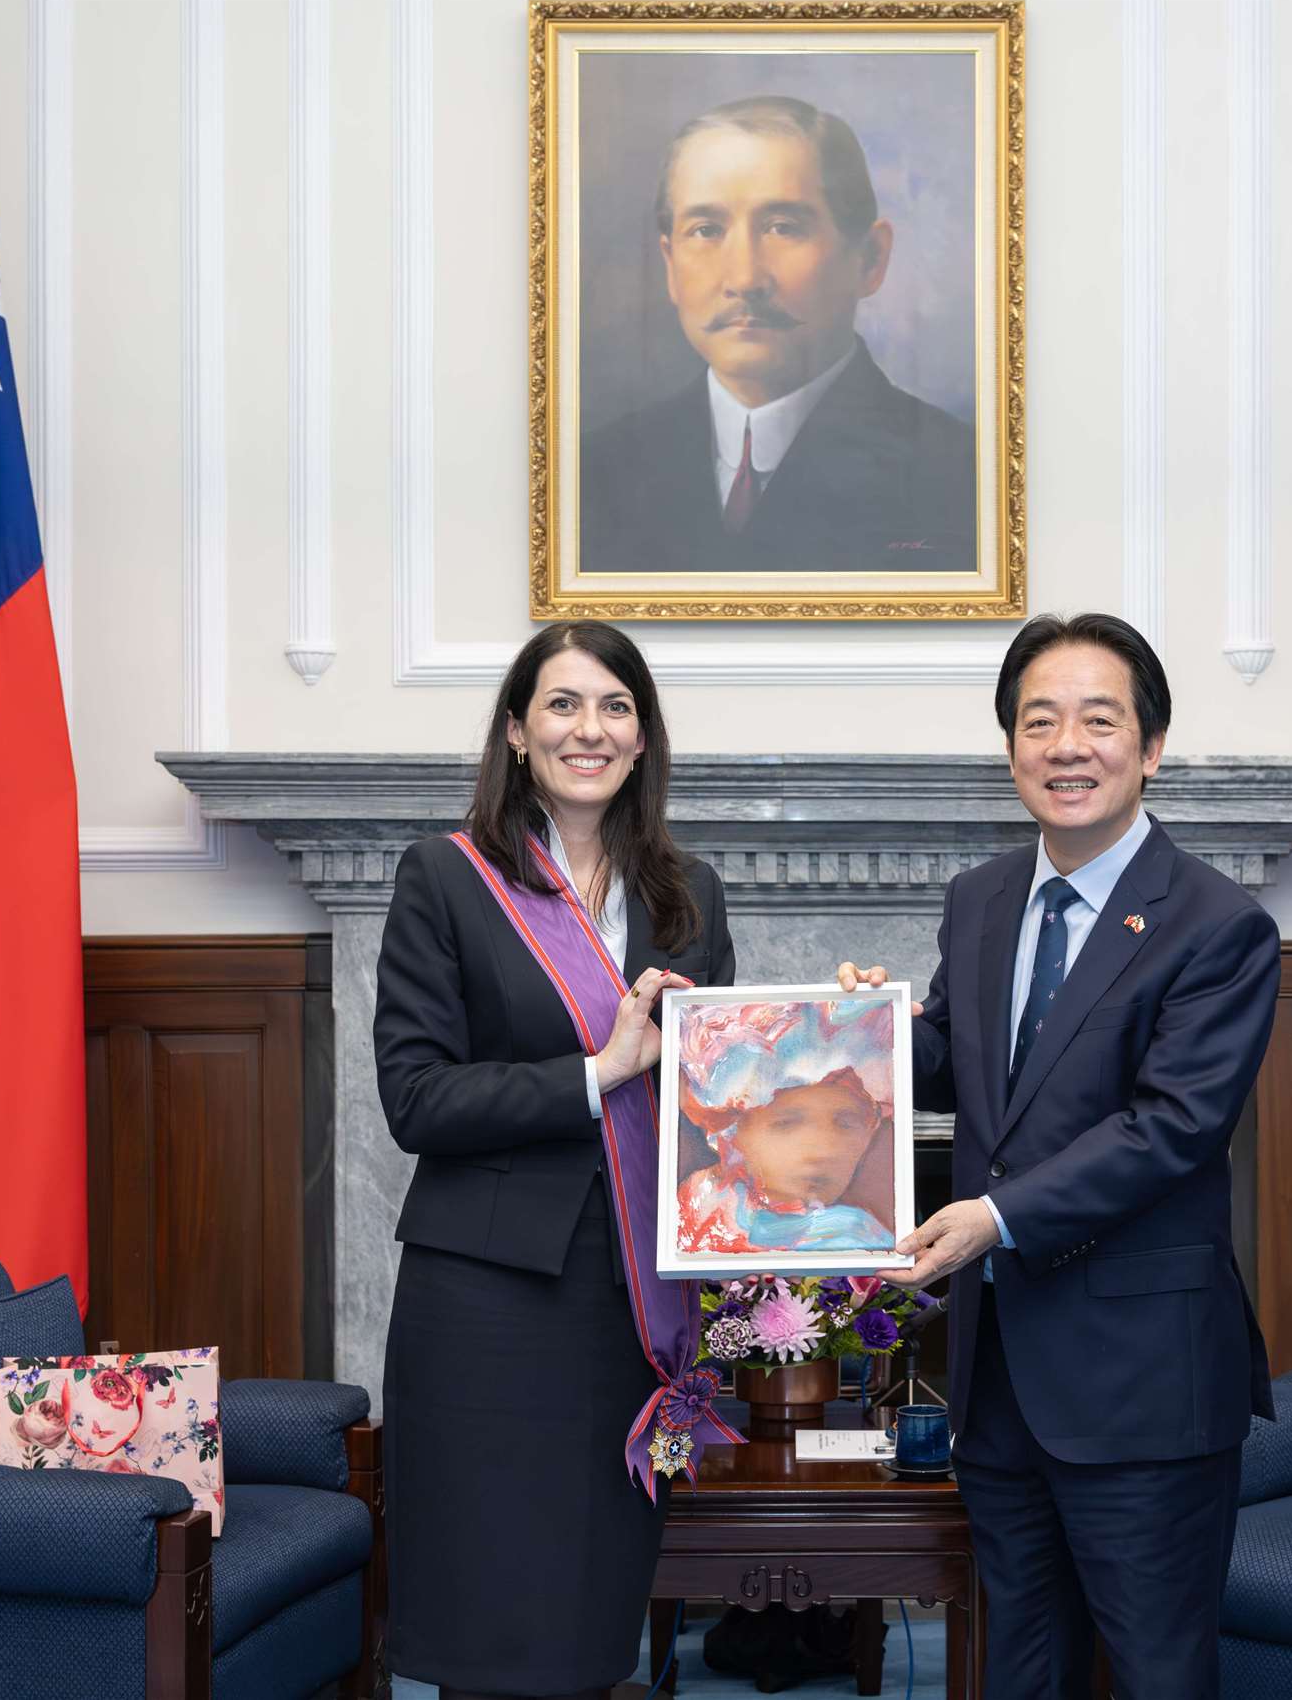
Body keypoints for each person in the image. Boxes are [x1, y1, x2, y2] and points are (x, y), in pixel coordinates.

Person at [840, 612, 1282, 1699]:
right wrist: (868, 1038)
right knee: (1018, 1667)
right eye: (1039, 721)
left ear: (1151, 746)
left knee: (1153, 1673)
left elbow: (1170, 1129)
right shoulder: (982, 899)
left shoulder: (1217, 925)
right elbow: (968, 1066)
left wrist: (993, 1219)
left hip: (1142, 1385)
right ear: (1010, 748)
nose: (1066, 746)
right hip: (1000, 1382)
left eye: (1098, 719)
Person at [373, 620, 738, 1700]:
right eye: (565, 704)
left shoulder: (690, 892)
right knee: (491, 1616)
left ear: (642, 737)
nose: (592, 728)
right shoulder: (446, 877)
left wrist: (817, 1053)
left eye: (615, 706)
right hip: (487, 1299)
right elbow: (416, 1098)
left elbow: (717, 1098)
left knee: (589, 1614)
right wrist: (599, 1069)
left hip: (626, 1303)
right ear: (518, 732)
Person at [579, 94, 978, 575]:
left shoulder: (959, 476)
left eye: (783, 227)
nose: (745, 279)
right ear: (669, 265)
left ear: (870, 259)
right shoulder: (595, 474)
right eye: (706, 230)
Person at [674, 996, 896, 1254]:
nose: (822, 1151)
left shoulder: (863, 1241)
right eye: (786, 1123)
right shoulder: (691, 1212)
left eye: (847, 1123)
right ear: (731, 1130)